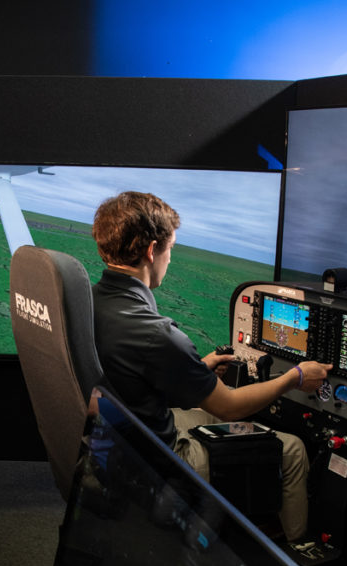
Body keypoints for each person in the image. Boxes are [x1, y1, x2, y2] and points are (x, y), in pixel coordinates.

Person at [90, 192, 331, 542]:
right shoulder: (156, 333)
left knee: (229, 423)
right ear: (151, 250)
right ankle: (297, 559)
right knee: (292, 448)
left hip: (119, 442)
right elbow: (229, 404)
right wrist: (295, 376)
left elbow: (129, 373)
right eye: (171, 249)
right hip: (157, 460)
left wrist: (196, 369)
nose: (170, 260)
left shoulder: (89, 301)